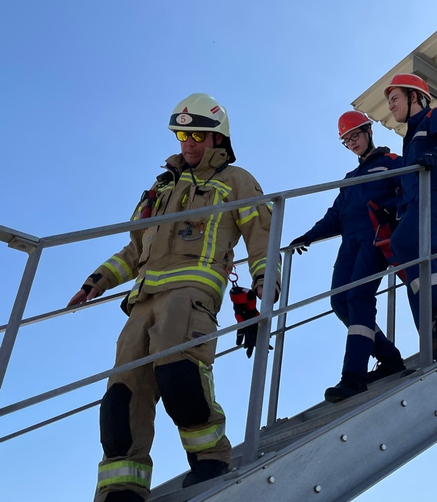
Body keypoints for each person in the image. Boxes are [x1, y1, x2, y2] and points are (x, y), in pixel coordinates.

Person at [67, 94, 280, 502]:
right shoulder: (160, 187)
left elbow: (262, 234)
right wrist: (97, 281)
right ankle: (121, 488)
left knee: (179, 374)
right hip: (141, 300)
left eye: (197, 134)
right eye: (182, 133)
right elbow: (135, 248)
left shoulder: (235, 180)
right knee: (121, 395)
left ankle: (210, 459)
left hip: (190, 295)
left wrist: (264, 280)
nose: (188, 142)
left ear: (218, 139)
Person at [289, 111, 406, 403]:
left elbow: (409, 190)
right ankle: (389, 357)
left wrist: (391, 209)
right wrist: (309, 235)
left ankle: (353, 376)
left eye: (355, 136)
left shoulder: (391, 162)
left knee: (358, 298)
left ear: (368, 131)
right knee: (339, 300)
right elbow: (335, 215)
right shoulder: (349, 179)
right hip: (349, 243)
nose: (352, 143)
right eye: (346, 140)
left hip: (375, 238)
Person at [384, 73, 437, 359]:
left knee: (404, 245)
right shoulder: (408, 140)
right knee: (423, 261)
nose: (391, 106)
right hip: (418, 203)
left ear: (415, 97)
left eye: (395, 98)